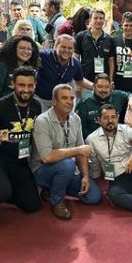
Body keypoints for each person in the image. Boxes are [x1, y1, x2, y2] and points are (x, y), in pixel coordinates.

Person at [0, 66, 42, 220]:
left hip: (19, 159)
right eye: (21, 85)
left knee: (32, 205)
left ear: (35, 85)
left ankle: (3, 188)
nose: (26, 90)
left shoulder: (36, 105)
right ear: (13, 84)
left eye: (30, 85)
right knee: (1, 191)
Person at [30, 84, 102, 220]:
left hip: (68, 170)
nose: (69, 102)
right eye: (64, 98)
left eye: (71, 98)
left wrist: (85, 176)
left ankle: (54, 188)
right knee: (67, 164)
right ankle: (57, 202)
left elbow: (82, 153)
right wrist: (78, 150)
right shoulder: (42, 121)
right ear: (54, 101)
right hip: (42, 169)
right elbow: (47, 157)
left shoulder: (76, 118)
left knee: (94, 197)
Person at [35, 34, 93, 112]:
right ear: (55, 46)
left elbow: (80, 80)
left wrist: (96, 86)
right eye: (63, 47)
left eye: (70, 48)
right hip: (40, 99)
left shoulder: (75, 63)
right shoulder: (43, 56)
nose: (66, 50)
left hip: (58, 102)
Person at [75, 73, 132, 139]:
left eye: (107, 87)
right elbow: (80, 128)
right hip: (93, 140)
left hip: (116, 139)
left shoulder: (117, 96)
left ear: (111, 87)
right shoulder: (84, 103)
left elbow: (129, 94)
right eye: (100, 86)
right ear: (94, 87)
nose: (104, 90)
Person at [0, 35, 40, 105]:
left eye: (29, 49)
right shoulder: (0, 67)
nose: (26, 51)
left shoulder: (29, 68)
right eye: (22, 48)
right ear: (13, 49)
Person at [74, 9, 116, 93]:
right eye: (95, 18)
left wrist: (111, 80)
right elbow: (75, 59)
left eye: (101, 18)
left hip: (103, 84)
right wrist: (77, 81)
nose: (98, 21)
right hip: (85, 82)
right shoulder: (81, 36)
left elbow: (111, 61)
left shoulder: (109, 39)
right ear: (90, 20)